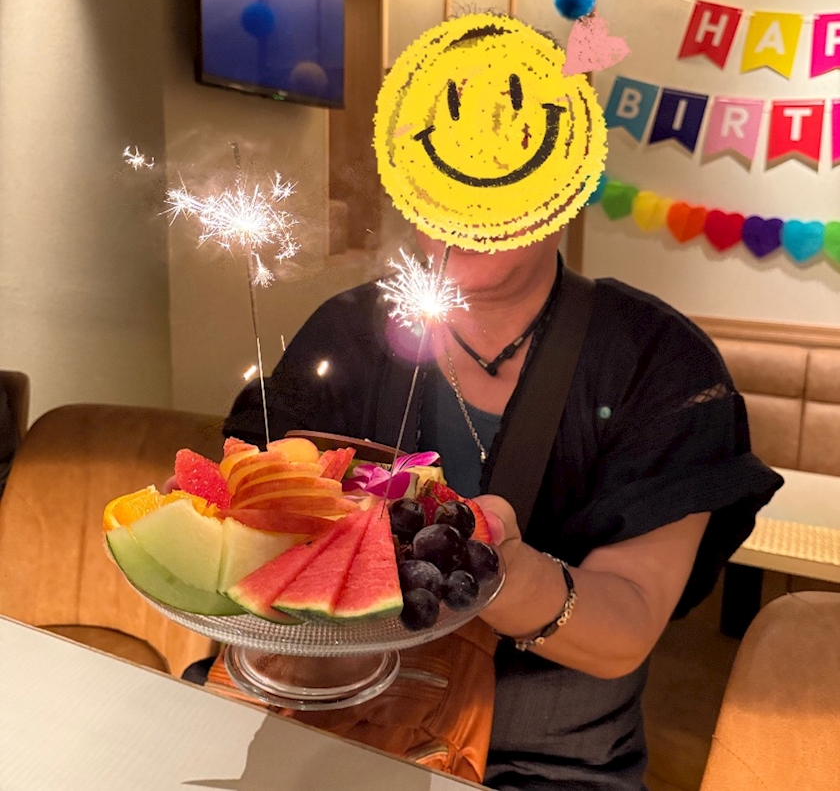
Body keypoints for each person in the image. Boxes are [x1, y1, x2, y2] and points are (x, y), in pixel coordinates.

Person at [224, 228, 782, 791]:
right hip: (326, 724)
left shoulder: (657, 360)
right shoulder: (344, 331)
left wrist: (498, 569)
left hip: (543, 763)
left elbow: (625, 628)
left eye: (499, 180)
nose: (470, 204)